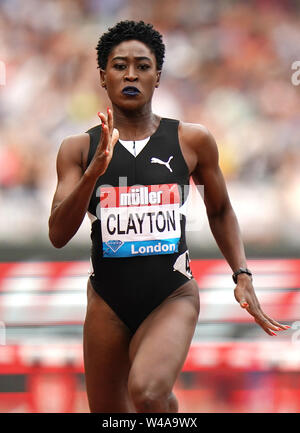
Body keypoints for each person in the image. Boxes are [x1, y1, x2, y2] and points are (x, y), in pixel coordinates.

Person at [48, 20, 290, 413]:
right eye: (119, 65)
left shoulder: (191, 140)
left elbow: (221, 209)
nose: (131, 74)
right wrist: (95, 170)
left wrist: (242, 274)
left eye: (142, 66)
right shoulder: (77, 148)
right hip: (107, 302)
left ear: (157, 76)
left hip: (171, 294)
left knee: (148, 393)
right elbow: (58, 233)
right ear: (102, 76)